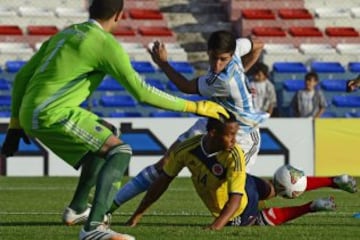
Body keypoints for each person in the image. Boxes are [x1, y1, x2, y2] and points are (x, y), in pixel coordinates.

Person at [0, 0, 229, 239]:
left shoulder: (67, 33)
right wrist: (196, 106)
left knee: (106, 138)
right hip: (51, 112)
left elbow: (22, 76)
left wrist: (15, 124)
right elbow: (142, 93)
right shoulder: (104, 44)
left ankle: (77, 209)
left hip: (34, 109)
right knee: (121, 151)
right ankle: (93, 228)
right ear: (119, 15)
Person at [106, 30, 269, 215]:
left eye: (223, 60)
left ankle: (273, 193)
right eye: (214, 58)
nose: (217, 65)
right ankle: (107, 207)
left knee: (229, 183)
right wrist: (243, 80)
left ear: (232, 55)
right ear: (208, 52)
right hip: (214, 121)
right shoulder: (237, 48)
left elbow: (184, 87)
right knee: (166, 162)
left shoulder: (222, 81)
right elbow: (258, 44)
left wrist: (163, 63)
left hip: (242, 134)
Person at [125, 113, 350, 229]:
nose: (235, 140)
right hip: (245, 184)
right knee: (275, 189)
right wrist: (138, 213)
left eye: (235, 135)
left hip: (239, 206)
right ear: (211, 133)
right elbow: (162, 181)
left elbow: (234, 200)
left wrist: (216, 226)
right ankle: (332, 181)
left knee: (258, 221)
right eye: (230, 135)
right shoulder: (187, 148)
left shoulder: (235, 155)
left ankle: (312, 206)